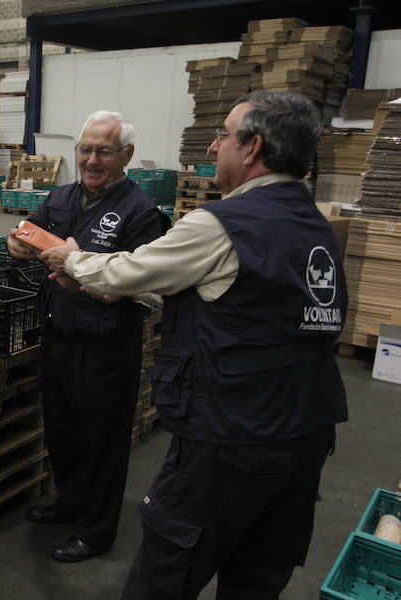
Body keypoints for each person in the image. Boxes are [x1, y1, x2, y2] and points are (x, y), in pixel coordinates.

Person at [40, 90, 348, 598]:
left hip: (233, 432)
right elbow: (248, 307)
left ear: (252, 149)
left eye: (223, 135)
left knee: (164, 575)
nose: (212, 148)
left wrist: (73, 260)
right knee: (255, 576)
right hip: (306, 431)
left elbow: (130, 267)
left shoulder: (224, 223)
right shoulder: (315, 226)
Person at [7, 111, 166, 562]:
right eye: (85, 149)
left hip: (107, 345)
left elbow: (141, 284)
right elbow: (25, 234)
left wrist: (90, 278)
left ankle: (97, 530)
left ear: (126, 156)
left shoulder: (141, 212)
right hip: (59, 332)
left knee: (101, 439)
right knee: (63, 429)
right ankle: (70, 501)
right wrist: (16, 243)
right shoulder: (60, 197)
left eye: (104, 151)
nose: (91, 159)